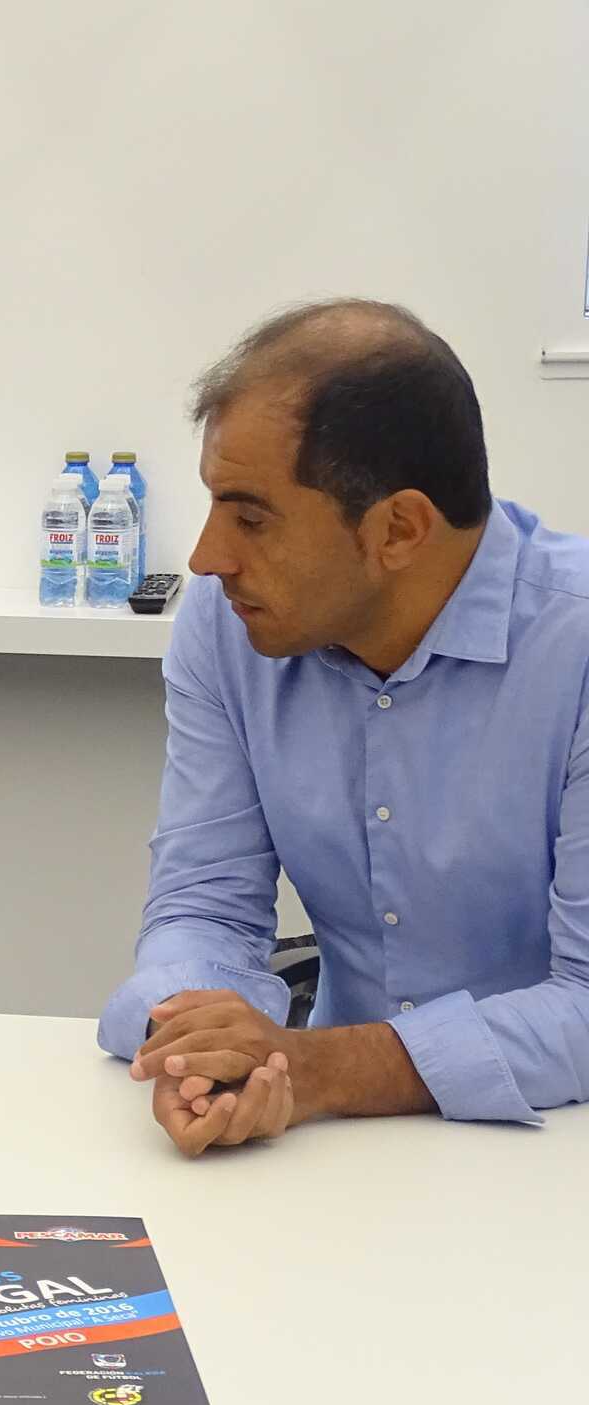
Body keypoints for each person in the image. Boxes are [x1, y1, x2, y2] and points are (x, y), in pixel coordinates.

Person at [102, 298, 589, 1155]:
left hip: (555, 1139)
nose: (207, 558)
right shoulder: (228, 625)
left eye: (251, 518)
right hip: (339, 1146)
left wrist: (319, 1068)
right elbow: (204, 901)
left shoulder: (574, 642)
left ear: (399, 529)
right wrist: (199, 1043)